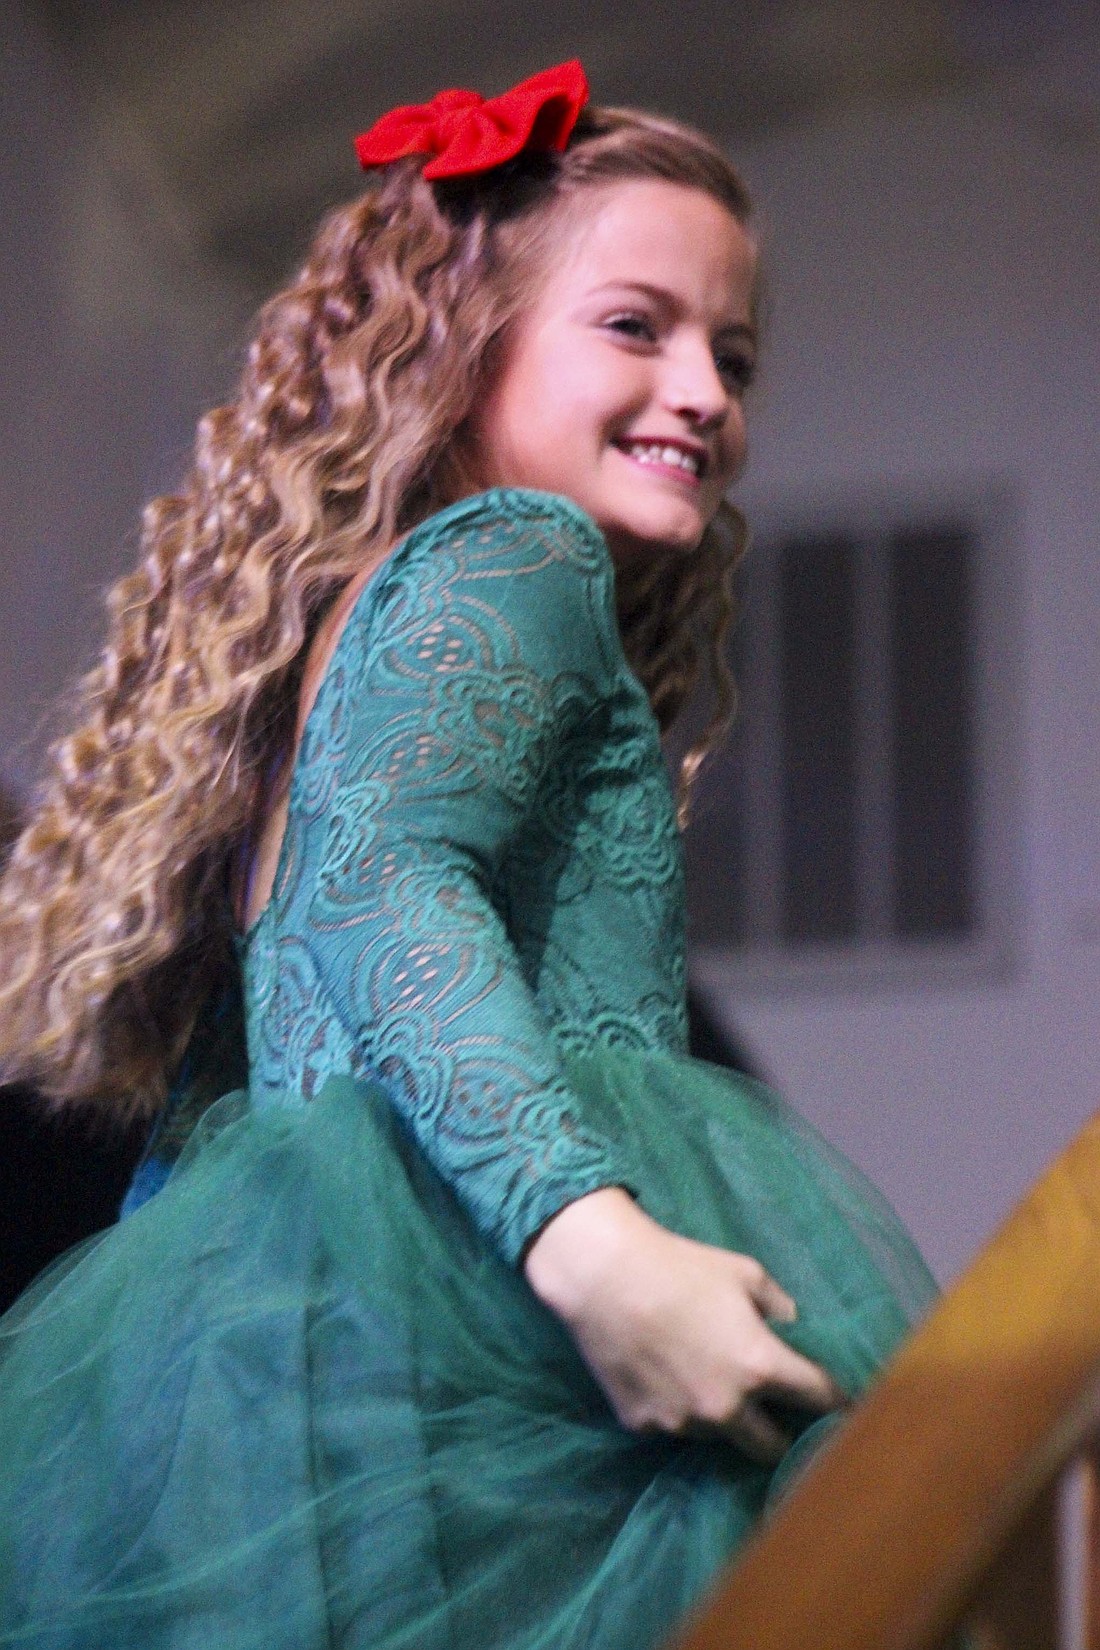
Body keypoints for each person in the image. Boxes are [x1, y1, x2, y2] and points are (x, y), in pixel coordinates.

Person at [0, 60, 936, 1650]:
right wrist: (601, 1245)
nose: (706, 389)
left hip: (346, 1337)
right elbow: (380, 889)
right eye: (637, 325)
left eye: (735, 349)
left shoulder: (367, 613)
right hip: (498, 1289)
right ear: (462, 339)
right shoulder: (521, 553)